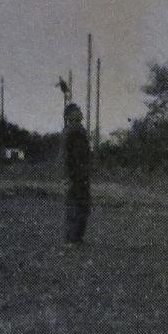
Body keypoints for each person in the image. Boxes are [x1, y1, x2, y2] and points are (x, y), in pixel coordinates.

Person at [61, 103, 91, 244]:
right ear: (69, 115)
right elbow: (66, 157)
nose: (80, 112)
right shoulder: (71, 132)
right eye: (76, 111)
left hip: (81, 175)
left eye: (79, 110)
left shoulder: (78, 131)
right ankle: (72, 239)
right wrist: (67, 176)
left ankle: (76, 238)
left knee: (81, 206)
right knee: (75, 207)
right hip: (75, 176)